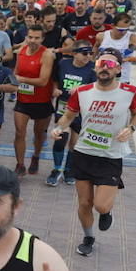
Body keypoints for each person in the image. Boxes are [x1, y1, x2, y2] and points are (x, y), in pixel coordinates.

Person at [52, 53, 136, 257]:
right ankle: (88, 237)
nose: (105, 68)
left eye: (110, 64)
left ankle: (107, 211)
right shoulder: (82, 92)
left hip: (111, 156)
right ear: (95, 68)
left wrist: (131, 128)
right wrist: (59, 128)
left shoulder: (130, 91)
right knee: (84, 203)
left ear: (118, 69)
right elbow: (69, 115)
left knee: (100, 205)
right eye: (101, 64)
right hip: (84, 153)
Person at [45, 44, 97, 187]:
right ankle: (56, 169)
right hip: (63, 109)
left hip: (81, 112)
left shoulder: (93, 68)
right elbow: (55, 80)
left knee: (74, 144)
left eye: (90, 53)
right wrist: (55, 90)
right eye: (84, 53)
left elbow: (98, 88)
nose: (88, 56)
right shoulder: (63, 64)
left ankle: (68, 170)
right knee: (61, 139)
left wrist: (82, 88)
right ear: (75, 53)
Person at [11, 25, 57, 176]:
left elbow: (43, 81)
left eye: (37, 38)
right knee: (19, 132)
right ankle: (20, 165)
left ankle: (36, 156)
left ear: (42, 39)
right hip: (23, 100)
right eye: (30, 37)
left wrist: (21, 79)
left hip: (41, 100)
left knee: (39, 133)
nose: (33, 41)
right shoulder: (21, 51)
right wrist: (12, 82)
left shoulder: (47, 55)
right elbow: (15, 72)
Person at [95, 12, 136, 85]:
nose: (123, 32)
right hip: (102, 78)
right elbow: (95, 48)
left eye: (126, 29)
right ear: (112, 26)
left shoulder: (131, 37)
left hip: (122, 80)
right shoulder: (101, 36)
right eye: (120, 30)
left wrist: (129, 59)